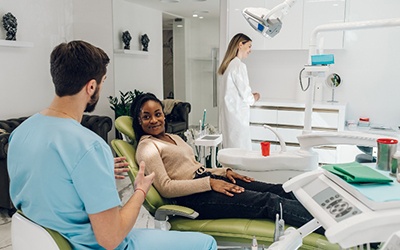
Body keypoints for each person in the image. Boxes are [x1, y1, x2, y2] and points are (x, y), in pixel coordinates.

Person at [7, 40, 217, 250]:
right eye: (102, 81)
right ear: (91, 86)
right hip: (94, 246)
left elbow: (47, 179)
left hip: (47, 241)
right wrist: (140, 191)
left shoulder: (20, 133)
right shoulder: (89, 146)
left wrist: (93, 171)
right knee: (206, 242)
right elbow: (111, 238)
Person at [131, 92, 321, 232]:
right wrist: (210, 183)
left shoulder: (173, 137)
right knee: (268, 202)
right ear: (139, 122)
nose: (154, 120)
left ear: (164, 114)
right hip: (193, 197)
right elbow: (166, 187)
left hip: (209, 181)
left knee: (278, 189)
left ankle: (326, 211)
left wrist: (224, 172)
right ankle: (325, 226)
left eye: (158, 113)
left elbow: (197, 168)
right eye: (146, 117)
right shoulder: (147, 147)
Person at [217, 33, 260, 150]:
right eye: (249, 46)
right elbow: (247, 95)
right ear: (240, 44)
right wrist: (255, 97)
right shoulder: (239, 66)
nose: (250, 50)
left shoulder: (229, 66)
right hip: (238, 120)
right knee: (242, 154)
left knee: (231, 153)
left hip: (229, 119)